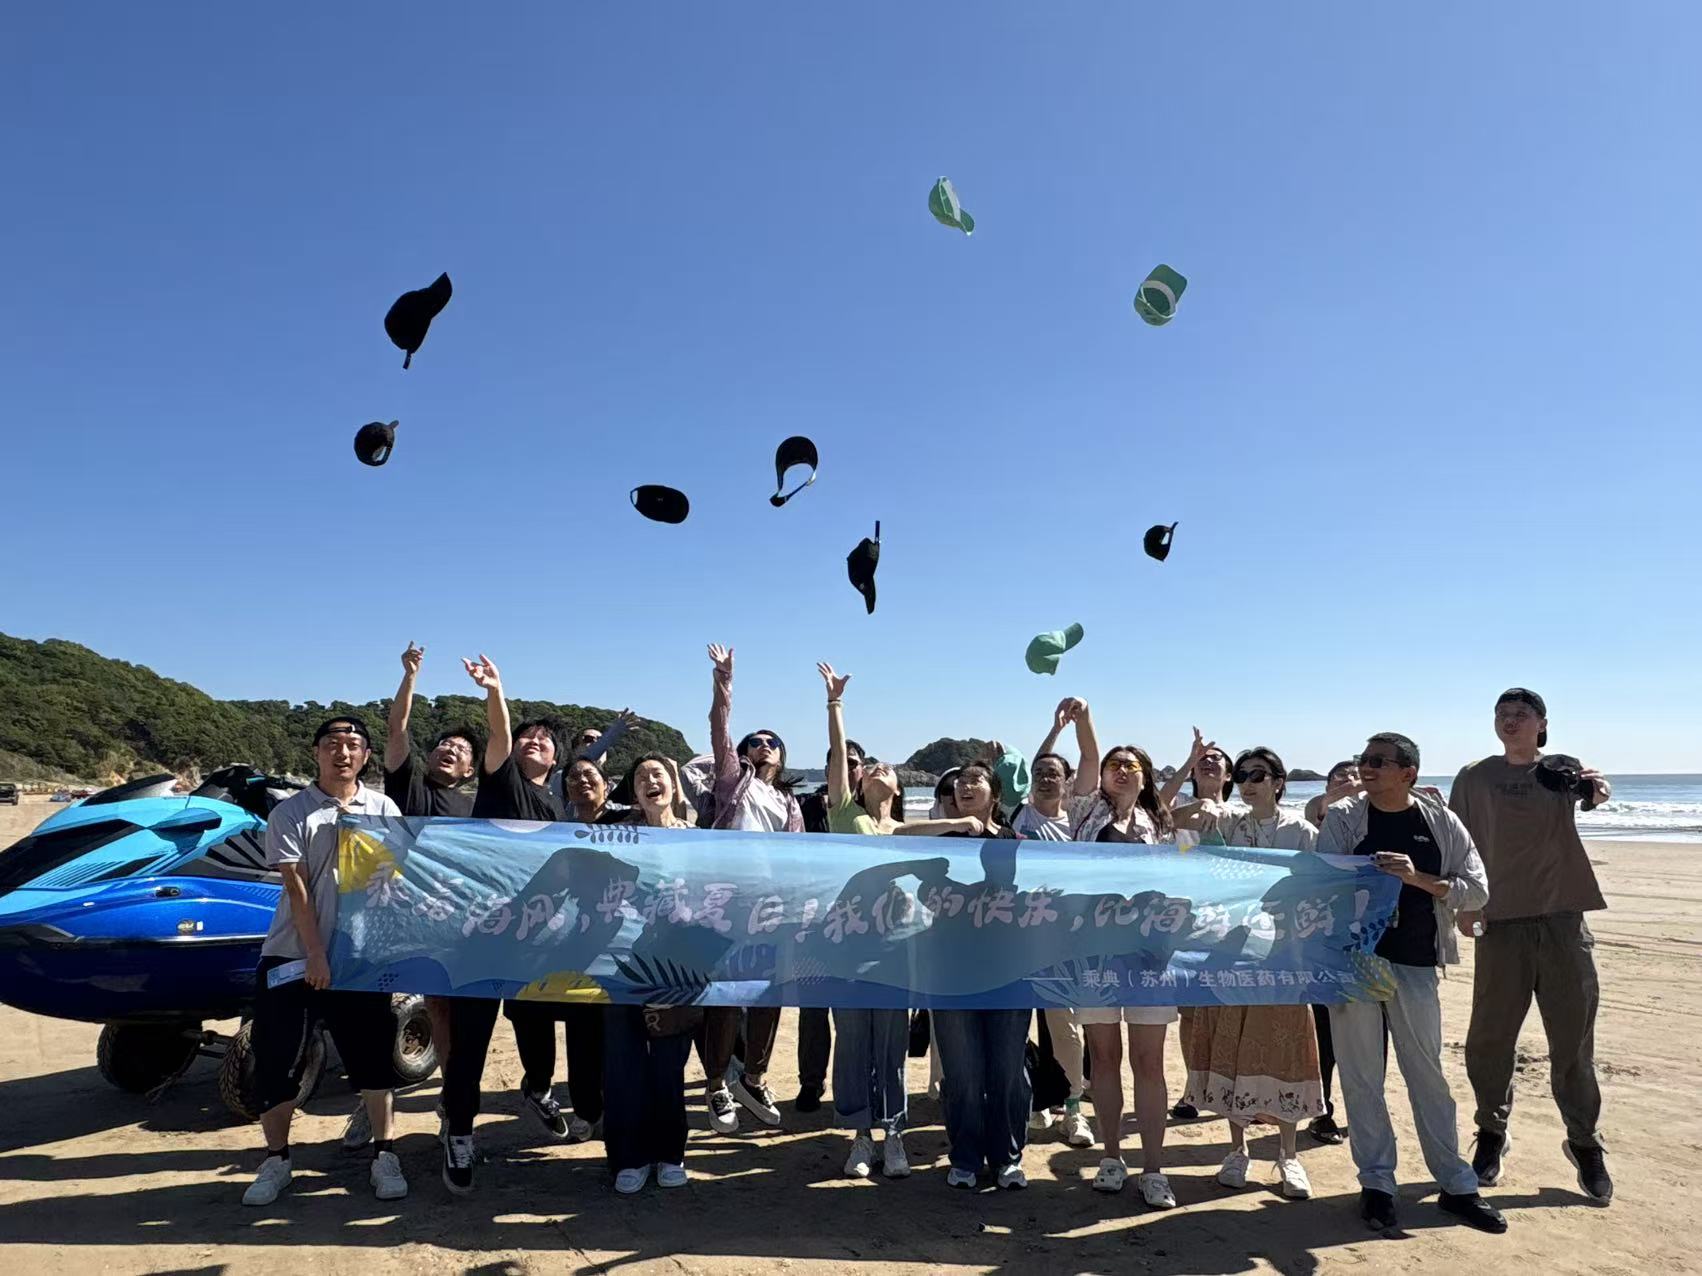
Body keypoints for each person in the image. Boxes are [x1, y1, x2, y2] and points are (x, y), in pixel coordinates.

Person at [1317, 733, 1506, 1233]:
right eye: (1363, 759)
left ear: (1409, 774)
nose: (1367, 767)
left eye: (1379, 761)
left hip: (1417, 963)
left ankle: (1456, 1185)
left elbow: (1477, 889)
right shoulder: (1344, 818)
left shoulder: (1439, 821)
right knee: (1361, 1078)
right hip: (1356, 963)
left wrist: (1416, 878)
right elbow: (1321, 882)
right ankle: (1377, 1184)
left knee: (1428, 1076)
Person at [1451, 688, 1613, 1202]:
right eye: (1503, 714)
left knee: (1572, 1042)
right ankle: (1492, 1132)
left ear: (1542, 723)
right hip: (1499, 924)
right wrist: (1463, 905)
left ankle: (1585, 1143)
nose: (1511, 721)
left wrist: (1596, 790)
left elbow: (1591, 792)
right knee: (1489, 1040)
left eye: (1522, 714)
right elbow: (1460, 844)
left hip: (1564, 920)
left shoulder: (1560, 771)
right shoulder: (1475, 777)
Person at [242, 716, 407, 1206]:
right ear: (316, 752)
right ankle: (276, 1160)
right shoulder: (292, 812)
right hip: (293, 956)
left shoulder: (383, 808)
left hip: (358, 959)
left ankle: (385, 1152)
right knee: (276, 1060)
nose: (343, 753)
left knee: (373, 1061)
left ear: (366, 756)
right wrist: (314, 954)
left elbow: (395, 880)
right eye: (333, 744)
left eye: (353, 745)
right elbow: (296, 888)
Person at [440, 654, 574, 1194]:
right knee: (469, 1045)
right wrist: (497, 692)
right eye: (526, 736)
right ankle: (460, 1133)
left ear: (559, 757)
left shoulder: (558, 808)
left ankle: (537, 1090)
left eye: (545, 738)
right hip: (481, 938)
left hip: (535, 947)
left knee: (539, 1040)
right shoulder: (504, 785)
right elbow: (498, 741)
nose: (533, 741)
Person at [1180, 747, 1322, 1200]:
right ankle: (1237, 1150)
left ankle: (1288, 1155)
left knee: (1286, 1052)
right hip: (1230, 953)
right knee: (1233, 1049)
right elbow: (1175, 829)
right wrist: (1200, 805)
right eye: (1242, 775)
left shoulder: (1302, 830)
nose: (1249, 782)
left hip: (1285, 956)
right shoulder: (1227, 822)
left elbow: (1322, 888)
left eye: (1259, 775)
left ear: (1279, 781)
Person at [356, 642, 479, 1149]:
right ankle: (370, 1107)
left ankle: (451, 1102)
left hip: (454, 921)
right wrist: (409, 677)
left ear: (470, 769)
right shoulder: (409, 788)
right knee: (373, 1007)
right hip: (398, 913)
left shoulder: (479, 806)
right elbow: (395, 733)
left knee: (444, 1011)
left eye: (460, 749)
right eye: (443, 745)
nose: (449, 750)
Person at [1063, 702, 1179, 1210]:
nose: (1123, 769)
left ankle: (1154, 1168)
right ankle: (1112, 1157)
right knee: (1104, 1058)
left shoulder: (1162, 823)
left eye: (1133, 764)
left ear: (1147, 776)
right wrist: (1085, 720)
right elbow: (1087, 755)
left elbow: (1180, 886)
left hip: (1150, 957)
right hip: (1095, 955)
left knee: (1149, 1063)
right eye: (1116, 763)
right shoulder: (1089, 811)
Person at [818, 662, 913, 1180]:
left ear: (897, 786)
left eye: (886, 767)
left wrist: (970, 822)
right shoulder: (844, 813)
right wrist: (835, 704)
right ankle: (860, 1136)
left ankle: (894, 1134)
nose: (876, 769)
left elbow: (958, 831)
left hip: (896, 951)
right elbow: (837, 756)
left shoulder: (903, 830)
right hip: (847, 949)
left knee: (891, 1046)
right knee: (852, 1042)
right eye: (868, 765)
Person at [701, 643, 801, 1133]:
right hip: (726, 902)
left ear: (782, 757)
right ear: (741, 753)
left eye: (771, 742)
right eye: (754, 741)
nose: (763, 746)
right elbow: (719, 726)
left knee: (768, 992)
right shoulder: (731, 781)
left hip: (771, 907)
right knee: (723, 996)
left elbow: (798, 859)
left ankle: (754, 1076)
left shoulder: (788, 802)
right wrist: (724, 679)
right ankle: (717, 1083)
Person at [930, 763, 1033, 1191]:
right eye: (960, 781)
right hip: (951, 974)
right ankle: (966, 1157)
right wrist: (956, 823)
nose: (966, 785)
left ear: (995, 792)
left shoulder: (1017, 843)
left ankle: (1007, 1157)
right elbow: (891, 839)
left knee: (1007, 1070)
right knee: (963, 1072)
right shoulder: (941, 844)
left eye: (977, 779)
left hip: (1010, 971)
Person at [602, 753, 699, 1193]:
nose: (649, 781)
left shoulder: (700, 838)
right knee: (623, 1061)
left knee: (668, 1063)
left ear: (675, 786)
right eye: (640, 777)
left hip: (675, 965)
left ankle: (669, 1152)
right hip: (619, 961)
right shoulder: (617, 835)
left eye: (658, 774)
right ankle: (628, 1156)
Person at [1010, 698, 1093, 1149]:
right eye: (1040, 773)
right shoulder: (1023, 815)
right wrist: (1053, 731)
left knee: (1065, 1026)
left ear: (1067, 783)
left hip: (1064, 940)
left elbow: (1089, 764)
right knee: (1019, 1025)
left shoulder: (1077, 820)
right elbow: (1035, 766)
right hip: (1020, 938)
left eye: (1053, 773)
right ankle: (1037, 1102)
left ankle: (1075, 1109)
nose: (1045, 778)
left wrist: (1078, 726)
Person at [792, 735, 868, 1114]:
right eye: (843, 761)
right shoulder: (804, 806)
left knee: (852, 1013)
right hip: (813, 920)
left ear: (864, 769)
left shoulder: (870, 810)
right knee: (813, 1008)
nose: (849, 768)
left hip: (860, 926)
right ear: (828, 768)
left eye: (855, 763)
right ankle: (811, 1082)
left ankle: (851, 1087)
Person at [1304, 758, 1363, 828]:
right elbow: (1313, 835)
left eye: (1355, 775)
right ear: (1327, 788)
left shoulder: (1370, 801)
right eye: (1341, 775)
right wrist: (1323, 811)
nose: (1349, 779)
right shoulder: (1315, 804)